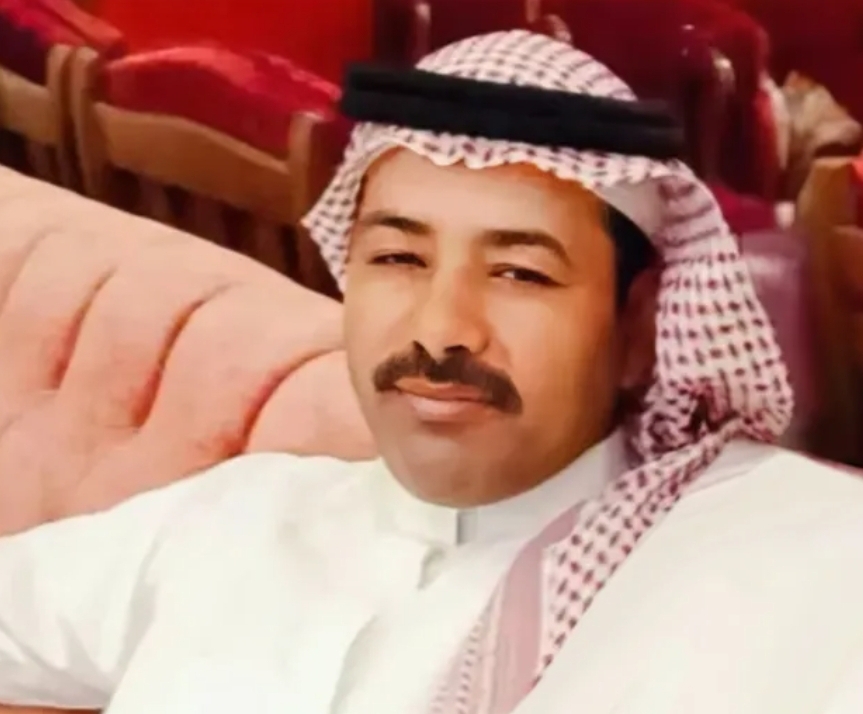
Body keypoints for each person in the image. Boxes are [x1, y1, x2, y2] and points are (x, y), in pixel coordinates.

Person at [2, 29, 863, 714]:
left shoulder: (809, 569)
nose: (441, 329)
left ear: (638, 327)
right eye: (398, 259)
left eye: (519, 273)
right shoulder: (236, 520)